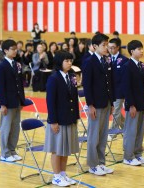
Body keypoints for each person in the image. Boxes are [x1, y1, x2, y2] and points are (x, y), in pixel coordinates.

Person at [44, 51, 79, 187]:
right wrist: (53, 121)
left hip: (69, 118)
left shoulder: (71, 76)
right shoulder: (54, 78)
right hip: (58, 119)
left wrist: (76, 116)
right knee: (57, 150)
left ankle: (63, 173)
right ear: (60, 62)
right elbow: (50, 102)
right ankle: (56, 176)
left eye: (71, 60)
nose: (69, 63)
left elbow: (74, 98)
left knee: (66, 149)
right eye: (66, 61)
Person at [83, 33, 115, 176]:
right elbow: (87, 85)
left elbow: (110, 83)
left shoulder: (106, 60)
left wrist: (112, 102)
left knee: (103, 135)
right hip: (96, 104)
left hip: (106, 102)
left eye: (107, 44)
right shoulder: (89, 62)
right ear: (95, 46)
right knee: (94, 136)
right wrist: (90, 105)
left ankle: (101, 163)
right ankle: (92, 164)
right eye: (103, 45)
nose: (106, 47)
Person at [0, 39, 25, 162]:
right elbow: (0, 87)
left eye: (16, 49)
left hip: (16, 101)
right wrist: (3, 104)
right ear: (6, 50)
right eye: (12, 49)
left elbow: (20, 84)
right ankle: (5, 153)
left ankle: (12, 150)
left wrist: (22, 100)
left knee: (15, 128)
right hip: (7, 102)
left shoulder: (16, 64)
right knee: (6, 128)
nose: (15, 51)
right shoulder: (2, 66)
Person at [122, 40, 144, 166]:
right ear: (132, 51)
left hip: (141, 102)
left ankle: (137, 154)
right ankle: (128, 156)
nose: (142, 51)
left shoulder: (141, 65)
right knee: (131, 131)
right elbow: (127, 87)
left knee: (140, 130)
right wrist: (131, 105)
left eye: (142, 48)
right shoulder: (127, 66)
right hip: (133, 104)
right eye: (139, 49)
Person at [107, 38, 129, 141]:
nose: (111, 50)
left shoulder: (124, 60)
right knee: (116, 112)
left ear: (118, 47)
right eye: (109, 47)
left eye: (113, 48)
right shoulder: (106, 59)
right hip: (109, 91)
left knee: (116, 111)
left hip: (119, 91)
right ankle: (126, 128)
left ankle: (113, 132)